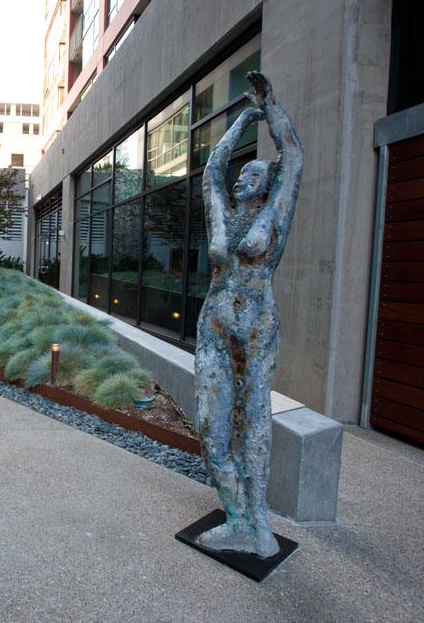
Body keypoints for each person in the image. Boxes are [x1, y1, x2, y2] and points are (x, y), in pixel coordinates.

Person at [194, 71, 303, 557]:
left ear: (267, 185)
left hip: (257, 326)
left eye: (254, 174)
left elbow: (293, 156)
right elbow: (213, 169)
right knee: (210, 425)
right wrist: (243, 120)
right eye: (244, 173)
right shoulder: (220, 210)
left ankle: (258, 524)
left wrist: (271, 108)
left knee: (254, 421)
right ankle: (236, 517)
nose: (243, 177)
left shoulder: (274, 214)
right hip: (215, 325)